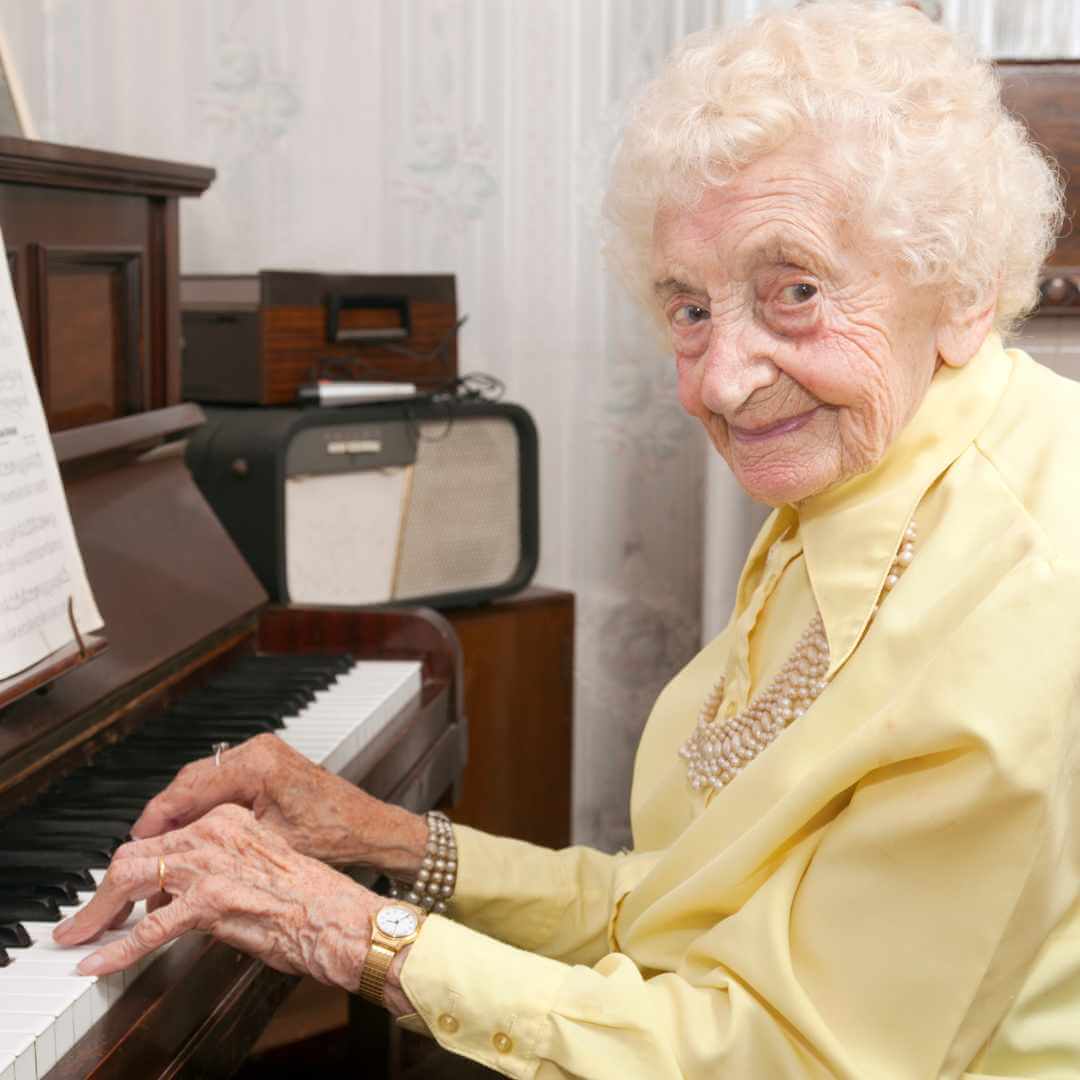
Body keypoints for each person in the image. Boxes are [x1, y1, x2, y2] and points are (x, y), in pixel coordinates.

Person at [55, 2, 1080, 1076]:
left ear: (960, 292)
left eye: (796, 291)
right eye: (689, 309)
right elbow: (686, 911)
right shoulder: (870, 481)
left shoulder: (1019, 595)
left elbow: (791, 1053)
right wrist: (392, 841)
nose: (722, 383)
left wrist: (356, 933)